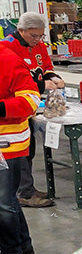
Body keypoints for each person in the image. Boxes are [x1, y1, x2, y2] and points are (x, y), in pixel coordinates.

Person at [2, 12, 63, 207]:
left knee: (29, 151)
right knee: (17, 155)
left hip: (30, 108)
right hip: (13, 113)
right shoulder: (8, 49)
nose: (38, 40)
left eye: (41, 36)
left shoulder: (39, 46)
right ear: (21, 31)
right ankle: (24, 192)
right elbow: (19, 85)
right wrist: (42, 87)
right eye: (33, 36)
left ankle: (26, 188)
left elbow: (45, 67)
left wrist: (53, 77)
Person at [0, 44, 41, 254]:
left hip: (8, 142)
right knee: (6, 199)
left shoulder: (8, 60)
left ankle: (10, 251)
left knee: (3, 201)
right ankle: (24, 246)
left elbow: (32, 100)